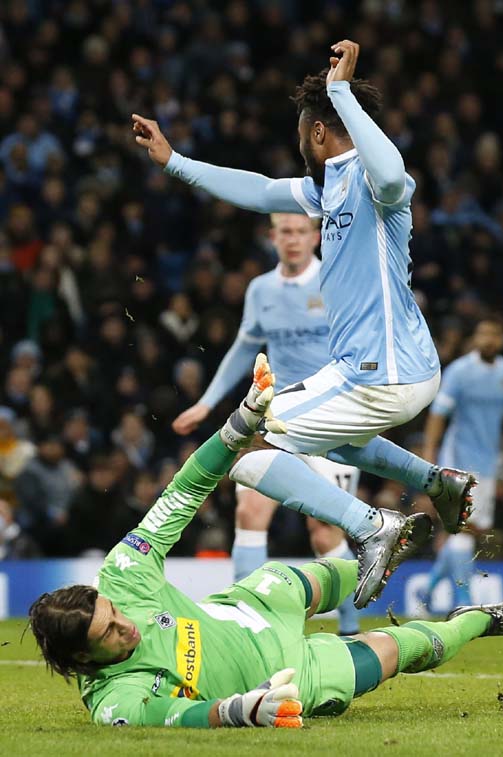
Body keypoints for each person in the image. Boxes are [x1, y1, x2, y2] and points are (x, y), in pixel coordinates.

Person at [133, 40, 476, 608]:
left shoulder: (373, 182)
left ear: (319, 132)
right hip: (386, 370)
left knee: (246, 451)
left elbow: (394, 174)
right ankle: (438, 483)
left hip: (381, 370)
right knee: (338, 445)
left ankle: (371, 525)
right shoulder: (327, 188)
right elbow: (259, 190)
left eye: (302, 134)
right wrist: (175, 161)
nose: (299, 145)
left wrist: (341, 93)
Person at [29, 359, 503, 728]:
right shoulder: (115, 702)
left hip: (252, 606)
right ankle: (481, 619)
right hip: (285, 677)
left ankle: (381, 548)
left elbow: (185, 490)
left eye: (114, 612)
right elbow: (182, 717)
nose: (124, 623)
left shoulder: (122, 573)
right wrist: (242, 710)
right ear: (83, 659)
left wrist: (237, 426)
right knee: (404, 650)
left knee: (319, 575)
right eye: (110, 633)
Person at [173, 212, 361, 634]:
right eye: (284, 232)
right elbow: (244, 347)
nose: (292, 240)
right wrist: (206, 403)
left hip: (332, 419)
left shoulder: (336, 281)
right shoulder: (261, 290)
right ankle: (241, 623)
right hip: (276, 419)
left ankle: (351, 629)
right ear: (272, 237)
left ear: (315, 236)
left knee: (325, 529)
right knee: (250, 510)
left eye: (299, 231)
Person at [421, 317, 503, 609]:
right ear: (475, 338)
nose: (488, 339)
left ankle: (430, 587)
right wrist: (429, 453)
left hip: (488, 464)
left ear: (502, 338)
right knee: (464, 528)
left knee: (471, 529)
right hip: (457, 459)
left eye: (493, 334)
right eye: (483, 333)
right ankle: (464, 600)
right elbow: (439, 413)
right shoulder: (460, 371)